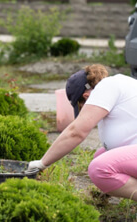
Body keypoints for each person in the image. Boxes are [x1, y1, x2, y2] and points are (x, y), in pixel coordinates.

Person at [27, 64, 137, 201]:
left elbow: (76, 132)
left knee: (99, 168)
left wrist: (42, 163)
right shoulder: (119, 83)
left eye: (81, 107)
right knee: (100, 155)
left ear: (86, 96)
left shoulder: (105, 89)